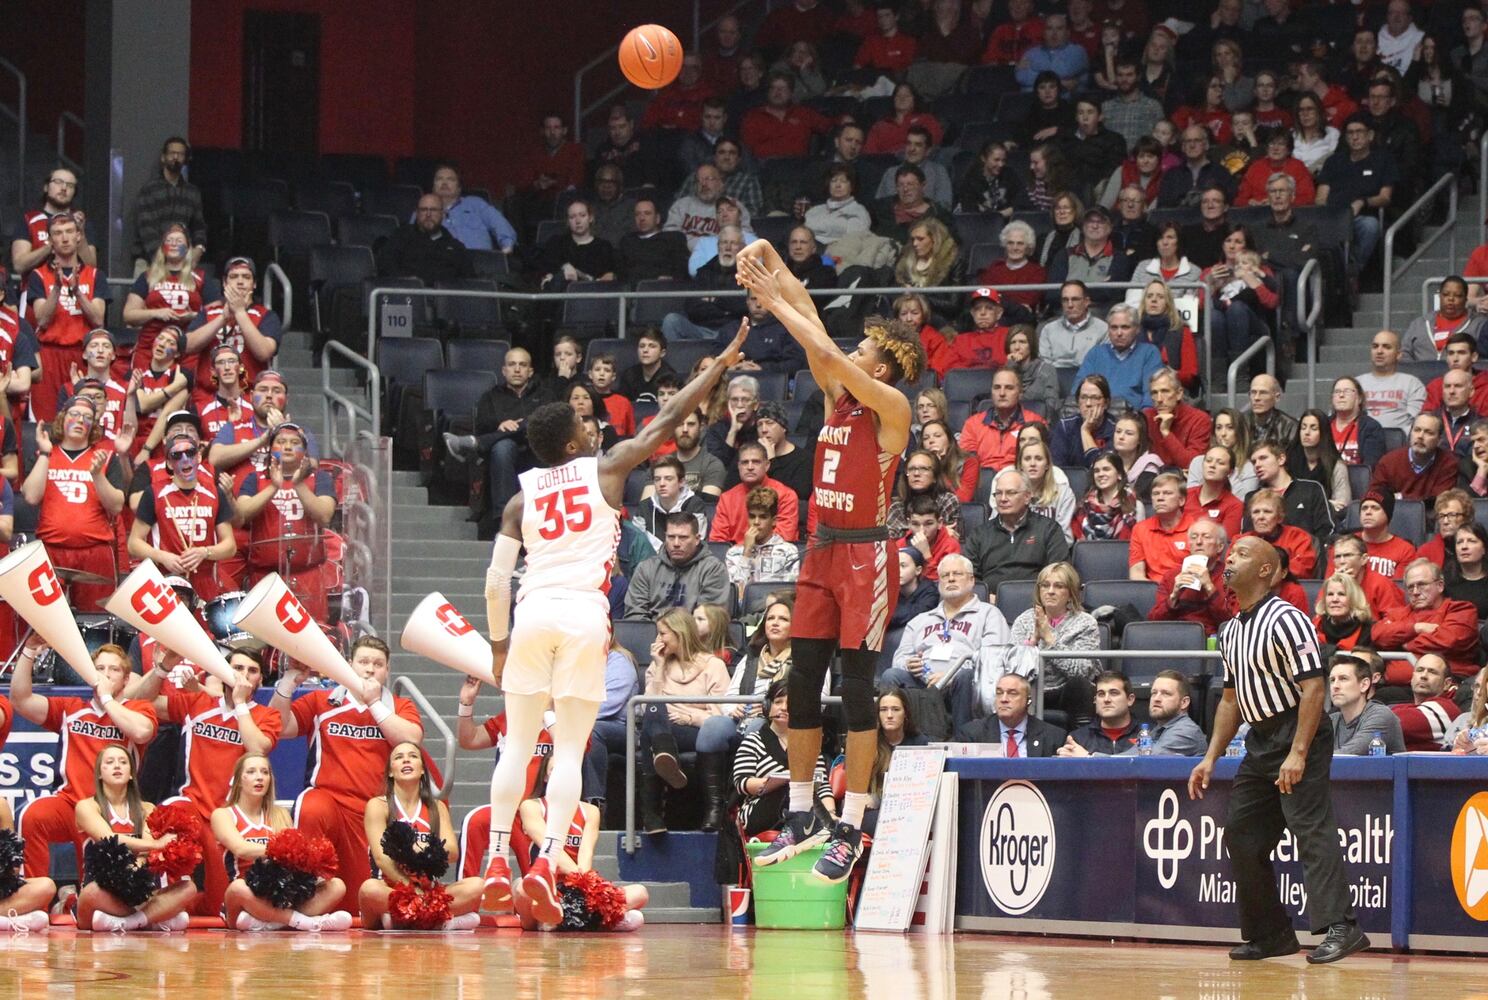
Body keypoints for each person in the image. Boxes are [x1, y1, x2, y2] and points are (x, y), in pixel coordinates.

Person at [481, 329, 742, 905]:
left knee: (520, 746)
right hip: (582, 616)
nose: (591, 424)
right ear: (573, 442)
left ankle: (498, 857)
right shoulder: (604, 471)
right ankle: (548, 859)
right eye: (583, 424)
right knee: (570, 751)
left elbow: (498, 580)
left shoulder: (519, 498)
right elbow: (669, 415)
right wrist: (719, 364)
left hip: (530, 614)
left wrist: (498, 647)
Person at [735, 238, 928, 883]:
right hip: (821, 548)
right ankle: (801, 813)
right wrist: (774, 270)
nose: (851, 352)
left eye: (864, 350)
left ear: (887, 365)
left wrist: (768, 300)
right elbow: (813, 322)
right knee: (800, 683)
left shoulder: (893, 409)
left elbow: (816, 343)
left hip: (867, 554)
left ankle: (852, 821)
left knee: (856, 692)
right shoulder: (836, 398)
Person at [1188, 535, 1369, 963]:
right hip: (1260, 738)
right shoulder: (1231, 629)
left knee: (1310, 827)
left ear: (1266, 570)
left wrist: (1299, 751)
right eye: (1230, 554)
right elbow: (1230, 700)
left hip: (1298, 728)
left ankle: (1343, 928)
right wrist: (1211, 756)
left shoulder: (1288, 619)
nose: (1230, 559)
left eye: (1242, 555)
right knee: (1241, 833)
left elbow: (1313, 688)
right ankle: (1271, 935)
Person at [268, 636, 426, 916]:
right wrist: (288, 682)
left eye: (378, 664)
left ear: (387, 671)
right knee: (310, 804)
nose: (369, 669)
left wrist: (374, 703)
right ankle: (303, 893)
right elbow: (279, 727)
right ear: (349, 665)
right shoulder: (321, 701)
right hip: (331, 804)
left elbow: (411, 739)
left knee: (357, 903)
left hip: (374, 812)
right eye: (363, 662)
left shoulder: (399, 705)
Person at [128, 643, 280, 916]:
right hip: (193, 805)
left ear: (260, 679)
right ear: (223, 673)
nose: (244, 675)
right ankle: (153, 908)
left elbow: (257, 748)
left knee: (215, 906)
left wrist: (242, 703)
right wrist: (163, 668)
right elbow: (142, 702)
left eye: (253, 671)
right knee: (170, 812)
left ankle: (187, 908)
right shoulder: (198, 703)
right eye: (237, 668)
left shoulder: (267, 715)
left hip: (232, 816)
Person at [12, 640, 157, 879]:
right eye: (99, 669)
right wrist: (28, 651)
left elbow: (142, 732)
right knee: (32, 815)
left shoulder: (138, 708)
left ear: (126, 678)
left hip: (113, 808)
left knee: (96, 881)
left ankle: (81, 901)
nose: (105, 674)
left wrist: (107, 699)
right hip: (70, 803)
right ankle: (35, 897)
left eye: (114, 669)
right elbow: (21, 700)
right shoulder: (71, 708)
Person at [216, 752, 352, 932]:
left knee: (336, 885)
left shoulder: (280, 815)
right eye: (251, 772)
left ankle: (271, 924)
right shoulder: (223, 814)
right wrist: (281, 849)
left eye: (265, 772)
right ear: (239, 780)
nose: (259, 777)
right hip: (244, 899)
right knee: (237, 888)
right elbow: (240, 848)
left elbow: (288, 861)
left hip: (277, 897)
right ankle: (307, 923)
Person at [357, 742, 482, 930]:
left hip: (428, 891)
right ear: (390, 772)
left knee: (477, 885)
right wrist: (411, 888)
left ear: (423, 769)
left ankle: (402, 920)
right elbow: (381, 858)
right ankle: (439, 921)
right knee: (369, 889)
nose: (406, 759)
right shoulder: (378, 805)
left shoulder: (436, 807)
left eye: (413, 756)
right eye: (398, 757)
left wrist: (417, 849)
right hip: (390, 889)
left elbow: (452, 852)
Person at [73, 745, 198, 933]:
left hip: (140, 895)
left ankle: (130, 922)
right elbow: (109, 838)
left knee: (188, 888)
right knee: (91, 892)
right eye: (109, 762)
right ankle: (153, 918)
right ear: (99, 773)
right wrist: (156, 844)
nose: (117, 766)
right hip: (102, 892)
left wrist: (137, 866)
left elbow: (146, 852)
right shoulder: (87, 807)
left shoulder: (146, 808)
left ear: (131, 773)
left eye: (123, 762)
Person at [634, 608, 730, 833]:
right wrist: (658, 668)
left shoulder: (713, 665)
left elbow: (720, 714)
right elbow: (648, 707)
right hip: (666, 729)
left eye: (663, 634)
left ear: (680, 633)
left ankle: (652, 816)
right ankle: (664, 752)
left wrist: (689, 716)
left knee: (652, 731)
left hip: (696, 731)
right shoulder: (660, 665)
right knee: (654, 717)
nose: (658, 640)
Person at [883, 553, 1009, 701]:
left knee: (965, 677)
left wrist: (951, 675)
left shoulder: (989, 614)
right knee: (891, 675)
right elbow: (899, 658)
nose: (950, 579)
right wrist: (908, 664)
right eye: (944, 575)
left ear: (971, 580)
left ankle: (965, 725)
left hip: (965, 684)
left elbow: (993, 659)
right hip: (923, 684)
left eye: (957, 574)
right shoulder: (920, 620)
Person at [25, 213, 109, 423]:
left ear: (79, 236)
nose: (64, 238)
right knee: (46, 422)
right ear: (50, 240)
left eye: (70, 232)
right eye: (58, 233)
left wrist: (78, 292)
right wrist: (56, 289)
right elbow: (41, 320)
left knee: (82, 419)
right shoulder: (38, 275)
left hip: (82, 355)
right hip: (49, 356)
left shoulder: (95, 275)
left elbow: (99, 320)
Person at [733, 679, 834, 837]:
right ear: (768, 706)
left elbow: (823, 787)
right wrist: (775, 782)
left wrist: (831, 813)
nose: (784, 708)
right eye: (778, 702)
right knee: (794, 788)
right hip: (759, 810)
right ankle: (821, 827)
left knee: (802, 791)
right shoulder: (753, 741)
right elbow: (741, 783)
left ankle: (827, 826)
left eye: (790, 703)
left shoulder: (810, 745)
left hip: (803, 805)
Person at [184, 257, 284, 406]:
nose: (240, 282)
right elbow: (188, 345)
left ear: (254, 284)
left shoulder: (266, 315)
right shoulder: (209, 313)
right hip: (207, 396)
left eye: (246, 277)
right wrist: (222, 318)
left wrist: (240, 313)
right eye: (233, 277)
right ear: (224, 283)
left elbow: (264, 352)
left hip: (249, 397)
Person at [1008, 561, 1100, 721]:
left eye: (1059, 586)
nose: (1050, 591)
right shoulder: (1024, 620)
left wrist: (1050, 639)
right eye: (1045, 585)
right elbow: (1014, 669)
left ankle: (1083, 739)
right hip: (1031, 689)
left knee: (1080, 685)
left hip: (1066, 691)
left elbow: (1082, 671)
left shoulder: (1086, 623)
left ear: (1070, 593)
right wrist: (1034, 640)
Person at [121, 223, 212, 375]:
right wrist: (156, 313)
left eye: (179, 241)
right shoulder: (148, 277)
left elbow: (217, 315)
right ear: (163, 247)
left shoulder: (201, 278)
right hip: (150, 347)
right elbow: (129, 315)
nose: (174, 244)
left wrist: (194, 316)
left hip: (187, 348)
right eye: (169, 241)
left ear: (188, 248)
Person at [963, 467, 1072, 593]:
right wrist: (985, 596)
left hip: (1038, 603)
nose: (1003, 498)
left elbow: (1060, 572)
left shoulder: (1048, 529)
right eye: (998, 493)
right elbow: (967, 576)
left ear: (1027, 497)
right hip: (990, 604)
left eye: (1010, 493)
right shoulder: (979, 534)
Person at [1372, 559, 1481, 683]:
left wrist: (1403, 643)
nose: (1415, 592)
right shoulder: (1397, 614)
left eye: (1422, 585)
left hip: (1447, 686)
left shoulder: (1461, 609)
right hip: (1395, 687)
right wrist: (1416, 628)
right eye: (1410, 587)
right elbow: (1378, 635)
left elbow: (1448, 640)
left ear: (1440, 586)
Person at [1316, 117, 1397, 279]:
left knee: (1370, 226)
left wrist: (1362, 202)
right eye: (1350, 133)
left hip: (1363, 216)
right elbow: (1320, 197)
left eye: (1359, 132)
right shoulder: (1333, 161)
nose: (1354, 137)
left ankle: (1352, 270)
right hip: (1334, 216)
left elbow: (1385, 197)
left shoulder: (1383, 160)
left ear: (1370, 135)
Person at [1152, 518, 1237, 634]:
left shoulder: (1230, 576)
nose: (1199, 542)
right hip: (1173, 637)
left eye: (1206, 537)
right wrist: (1173, 597)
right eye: (1194, 537)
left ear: (1220, 547)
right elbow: (1153, 621)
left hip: (1211, 640)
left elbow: (1232, 621)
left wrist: (1209, 587)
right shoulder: (1172, 576)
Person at [11, 166, 96, 278]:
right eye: (58, 182)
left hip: (74, 289)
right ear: (46, 187)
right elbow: (19, 265)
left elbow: (92, 267)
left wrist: (80, 232)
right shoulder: (29, 220)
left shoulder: (81, 222)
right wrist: (51, 246)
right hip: (35, 291)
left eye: (70, 185)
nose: (64, 188)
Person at [1073, 304, 1163, 410]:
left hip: (1132, 420)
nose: (1119, 333)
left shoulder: (1149, 353)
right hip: (1096, 417)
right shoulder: (1095, 353)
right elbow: (1078, 391)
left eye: (1125, 327)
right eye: (1114, 327)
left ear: (1137, 329)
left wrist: (1142, 422)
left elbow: (1150, 397)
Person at [954, 673, 1066, 755]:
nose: (1004, 699)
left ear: (1028, 701)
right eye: (999, 693)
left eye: (1012, 693)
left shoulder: (1054, 737)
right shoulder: (972, 735)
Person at [376, 193, 474, 284]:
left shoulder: (456, 247)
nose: (428, 214)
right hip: (407, 296)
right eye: (423, 209)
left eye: (433, 210)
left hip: (444, 299)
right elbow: (385, 267)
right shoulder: (400, 237)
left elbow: (468, 282)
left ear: (442, 214)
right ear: (417, 214)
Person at [725, 486, 801, 594]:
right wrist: (746, 553)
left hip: (775, 608)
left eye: (763, 517)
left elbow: (790, 594)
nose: (756, 522)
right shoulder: (733, 553)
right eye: (752, 516)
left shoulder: (788, 551)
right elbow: (737, 594)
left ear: (774, 521)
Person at [1369, 412, 1460, 502]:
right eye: (1417, 430)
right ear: (1410, 433)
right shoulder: (1389, 461)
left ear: (1439, 440)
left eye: (1429, 433)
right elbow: (1374, 496)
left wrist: (1400, 497)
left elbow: (1439, 501)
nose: (1420, 436)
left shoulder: (1448, 463)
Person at [1328, 652, 1406, 754]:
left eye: (1343, 679)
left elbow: (1349, 754)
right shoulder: (1332, 720)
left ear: (1364, 685)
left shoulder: (1381, 716)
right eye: (1332, 680)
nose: (1335, 686)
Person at [1128, 471, 1196, 583]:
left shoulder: (1196, 529)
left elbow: (1197, 573)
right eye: (1155, 494)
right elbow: (1136, 574)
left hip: (1186, 591)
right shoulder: (1140, 529)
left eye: (1167, 493)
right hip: (1152, 592)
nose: (1160, 498)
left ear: (1181, 500)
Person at [1389, 654, 1463, 750]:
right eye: (1420, 670)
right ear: (1412, 678)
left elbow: (1388, 724)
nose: (1424, 676)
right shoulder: (1406, 708)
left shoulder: (1447, 709)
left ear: (1446, 684)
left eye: (1432, 672)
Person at [1402, 277, 1485, 362]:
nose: (1451, 299)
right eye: (1445, 294)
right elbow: (1405, 352)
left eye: (1457, 295)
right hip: (1420, 373)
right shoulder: (1419, 323)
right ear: (1439, 296)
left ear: (1465, 299)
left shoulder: (1480, 324)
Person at [1058, 672, 1142, 755]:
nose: (1106, 699)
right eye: (1101, 694)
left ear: (1130, 700)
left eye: (1113, 693)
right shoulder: (1078, 739)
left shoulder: (1148, 736)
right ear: (1095, 700)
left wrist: (1088, 758)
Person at [1073, 450, 1142, 541]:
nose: (1100, 474)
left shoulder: (1134, 505)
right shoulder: (1083, 506)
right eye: (1096, 471)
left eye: (1106, 469)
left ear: (1119, 474)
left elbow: (1139, 543)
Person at [1039, 280, 1107, 369]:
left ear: (1086, 302)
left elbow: (1102, 363)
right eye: (1065, 300)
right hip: (1055, 380)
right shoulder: (1048, 329)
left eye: (1075, 299)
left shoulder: (1102, 329)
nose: (1070, 305)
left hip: (1090, 379)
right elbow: (1045, 366)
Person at [1052, 373, 1115, 467]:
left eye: (1095, 398)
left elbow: (1099, 469)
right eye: (1084, 397)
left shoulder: (1116, 429)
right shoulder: (1065, 427)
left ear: (1106, 403)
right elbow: (1057, 469)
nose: (1088, 403)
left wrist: (1085, 430)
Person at [1327, 376, 1387, 467]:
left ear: (1359, 398)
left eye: (1347, 391)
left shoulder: (1371, 427)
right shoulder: (1323, 425)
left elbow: (1370, 468)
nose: (1341, 395)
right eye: (1337, 392)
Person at [1314, 572, 1377, 654]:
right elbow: (1302, 652)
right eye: (1330, 594)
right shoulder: (1315, 626)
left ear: (1354, 598)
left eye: (1341, 594)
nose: (1335, 599)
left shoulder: (1368, 630)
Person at [1446, 522, 1488, 616]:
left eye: (1471, 541)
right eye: (1459, 542)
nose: (1464, 547)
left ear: (1484, 549)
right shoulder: (1445, 580)